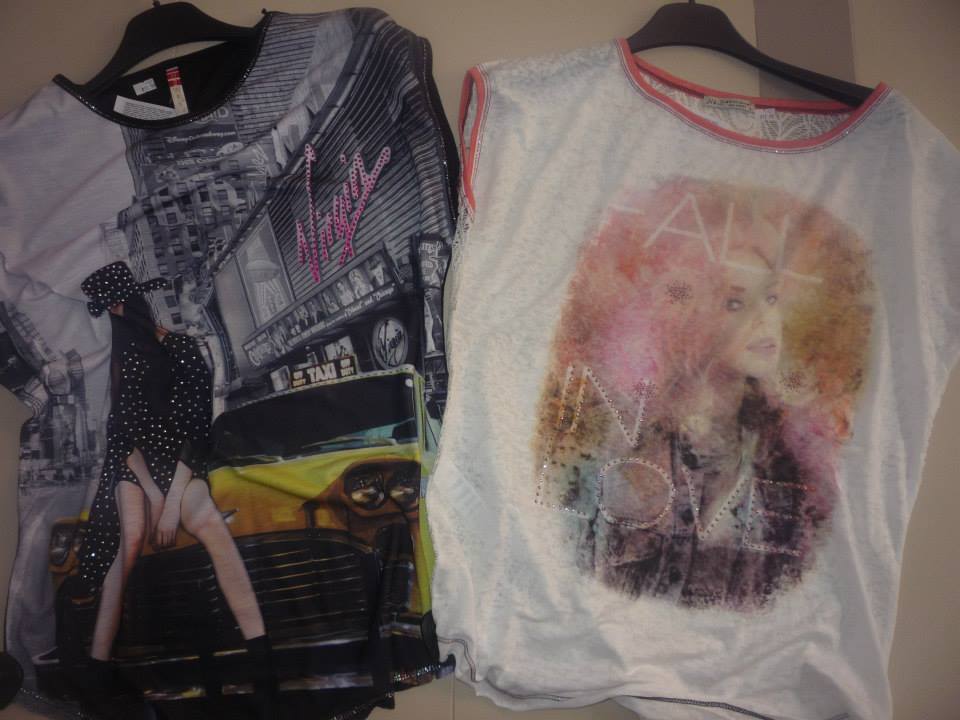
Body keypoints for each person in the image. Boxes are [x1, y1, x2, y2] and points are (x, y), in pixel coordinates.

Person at [535, 180, 874, 610]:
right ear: (691, 316)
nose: (765, 319)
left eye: (770, 297)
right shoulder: (626, 436)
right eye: (735, 303)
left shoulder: (792, 455)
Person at [76, 262, 274, 705]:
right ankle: (96, 667)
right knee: (129, 541)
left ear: (128, 302)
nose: (115, 315)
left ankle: (261, 658)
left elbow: (195, 433)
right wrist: (151, 494)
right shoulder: (120, 365)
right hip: (138, 470)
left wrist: (169, 507)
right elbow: (122, 438)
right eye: (109, 309)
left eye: (116, 306)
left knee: (210, 525)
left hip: (182, 464)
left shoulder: (180, 349)